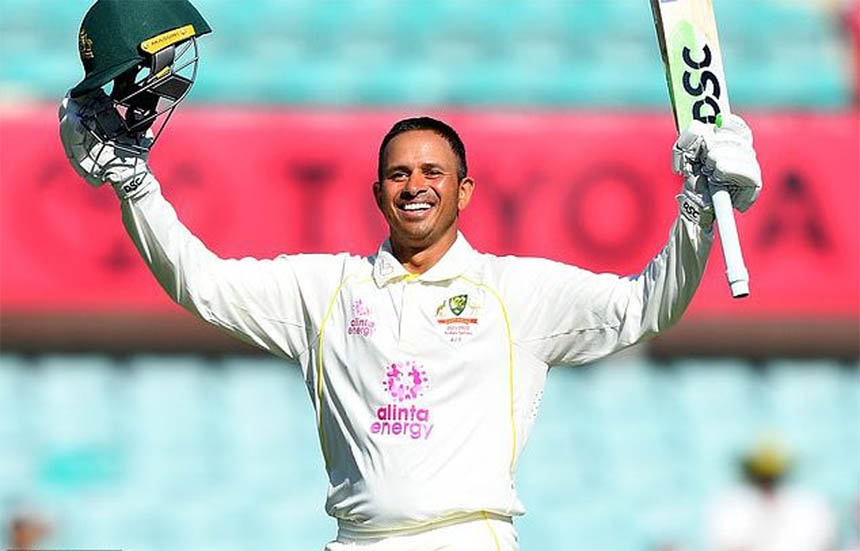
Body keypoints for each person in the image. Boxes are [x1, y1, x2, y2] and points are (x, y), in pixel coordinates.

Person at [58, 2, 762, 549]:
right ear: (377, 193)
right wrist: (135, 187)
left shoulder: (515, 293)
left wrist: (699, 208)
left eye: (434, 173)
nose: (414, 185)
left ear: (465, 192)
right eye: (398, 173)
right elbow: (202, 284)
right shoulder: (325, 290)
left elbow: (647, 307)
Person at [705, 439, 838, 551]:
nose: (768, 484)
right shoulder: (733, 504)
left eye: (773, 478)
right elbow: (728, 543)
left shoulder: (806, 504)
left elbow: (822, 541)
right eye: (762, 478)